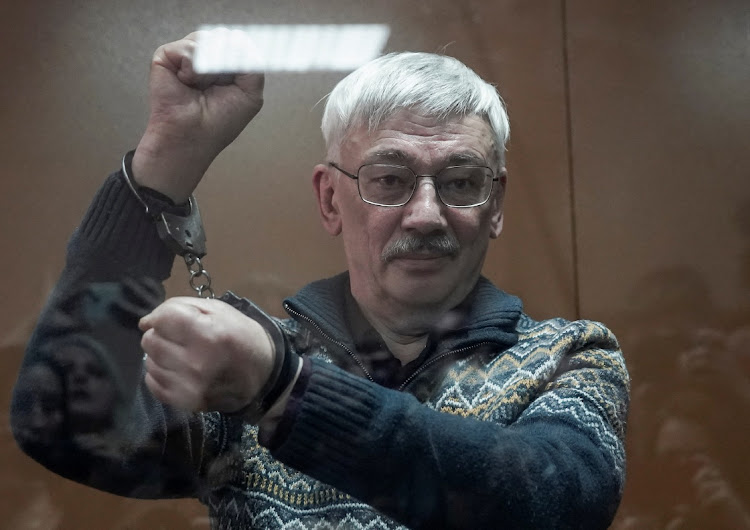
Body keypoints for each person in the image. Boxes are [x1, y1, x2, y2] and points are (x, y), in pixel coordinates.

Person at [11, 30, 630, 529]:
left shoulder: (570, 356)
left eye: (461, 181)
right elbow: (62, 421)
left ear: (495, 206)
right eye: (388, 179)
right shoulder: (245, 365)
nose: (425, 213)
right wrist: (163, 164)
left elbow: (554, 504)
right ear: (331, 201)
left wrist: (285, 389)